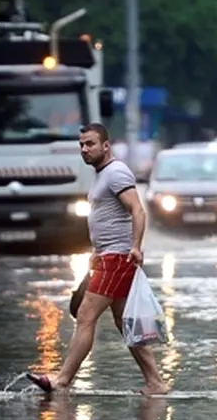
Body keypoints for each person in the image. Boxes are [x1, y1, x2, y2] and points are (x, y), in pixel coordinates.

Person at [27, 123, 169, 394]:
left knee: (85, 315)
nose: (84, 149)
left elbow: (138, 211)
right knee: (123, 322)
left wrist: (136, 247)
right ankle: (155, 382)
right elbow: (108, 218)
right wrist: (96, 251)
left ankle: (62, 380)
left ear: (106, 146)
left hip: (118, 258)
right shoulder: (102, 175)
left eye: (90, 144)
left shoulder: (116, 173)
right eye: (81, 144)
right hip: (107, 256)